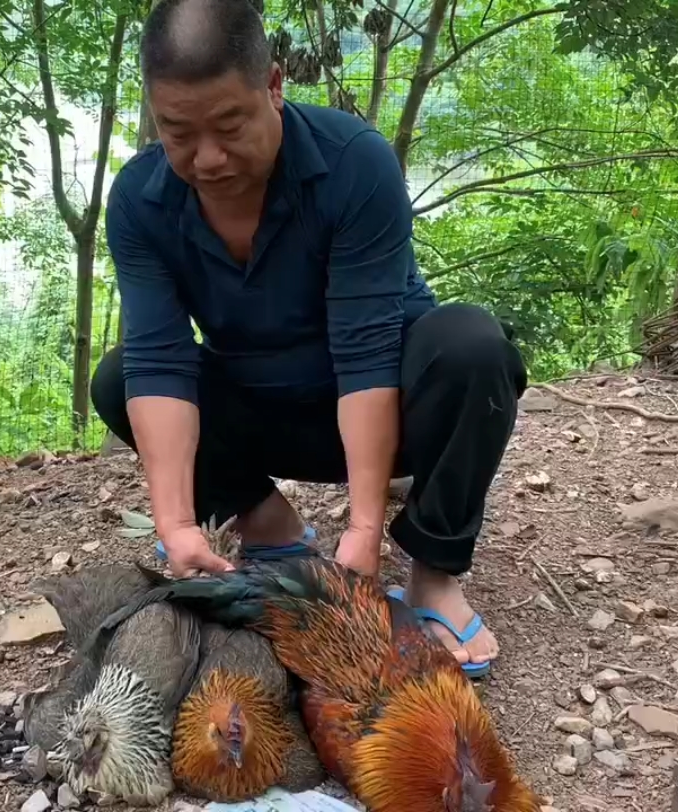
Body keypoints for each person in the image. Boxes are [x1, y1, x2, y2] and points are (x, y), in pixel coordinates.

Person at [89, 0, 528, 677]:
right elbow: (161, 359)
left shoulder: (354, 164)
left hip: (387, 409)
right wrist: (175, 526)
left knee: (473, 345)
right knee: (120, 377)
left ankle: (435, 576)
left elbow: (367, 352)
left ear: (274, 85)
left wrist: (362, 532)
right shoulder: (140, 201)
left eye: (229, 125)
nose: (207, 158)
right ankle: (275, 534)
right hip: (263, 414)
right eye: (178, 132)